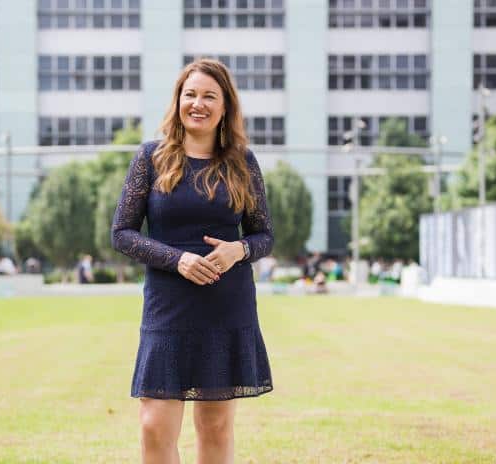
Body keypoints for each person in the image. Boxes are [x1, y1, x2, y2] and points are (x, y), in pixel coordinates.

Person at [111, 58, 274, 464]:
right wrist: (177, 259)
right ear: (178, 101)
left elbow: (264, 235)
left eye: (208, 96)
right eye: (190, 94)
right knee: (154, 424)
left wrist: (240, 249)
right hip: (168, 306)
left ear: (224, 107)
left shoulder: (242, 161)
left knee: (216, 427)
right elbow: (122, 233)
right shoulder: (151, 157)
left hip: (226, 305)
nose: (197, 104)